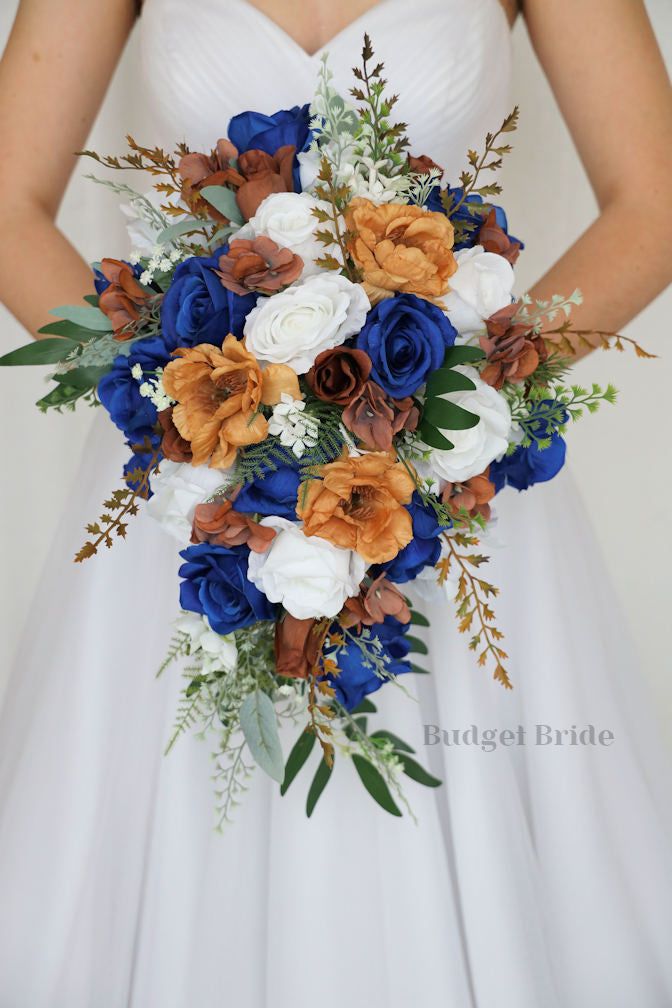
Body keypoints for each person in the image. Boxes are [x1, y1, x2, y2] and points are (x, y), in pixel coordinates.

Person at [0, 1, 671, 1005]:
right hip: (194, 473)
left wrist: (459, 398)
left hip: (445, 489)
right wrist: (169, 385)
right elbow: (8, 197)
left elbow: (653, 200)